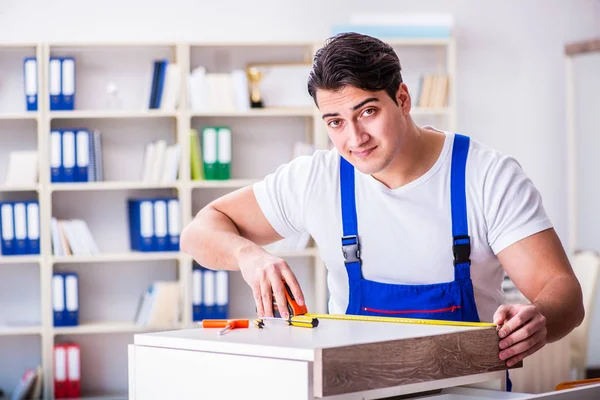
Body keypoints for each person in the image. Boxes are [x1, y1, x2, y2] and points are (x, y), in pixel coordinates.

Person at [180, 32, 584, 370]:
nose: (354, 139)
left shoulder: (487, 177)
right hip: (355, 387)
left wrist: (540, 319)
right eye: (335, 122)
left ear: (403, 99)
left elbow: (562, 290)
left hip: (469, 390)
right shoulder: (317, 179)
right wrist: (249, 255)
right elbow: (200, 232)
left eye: (367, 111)